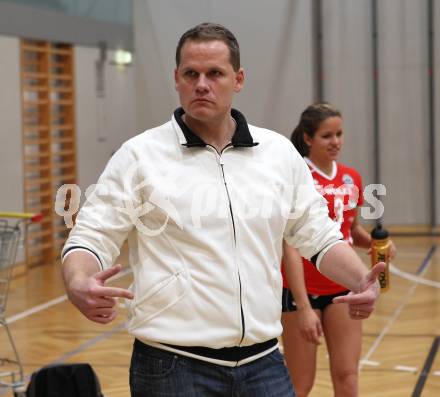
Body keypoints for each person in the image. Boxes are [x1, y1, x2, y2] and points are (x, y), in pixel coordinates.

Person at [61, 23, 385, 397]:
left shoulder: (277, 153)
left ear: (238, 78)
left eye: (215, 73)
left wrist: (362, 280)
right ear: (176, 79)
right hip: (171, 368)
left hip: (264, 365)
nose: (202, 84)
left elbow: (320, 235)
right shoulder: (139, 156)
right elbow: (91, 235)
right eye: (191, 74)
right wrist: (78, 280)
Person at [281, 102, 396, 397]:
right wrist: (304, 306)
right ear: (308, 138)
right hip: (300, 292)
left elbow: (350, 231)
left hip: (341, 288)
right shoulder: (296, 176)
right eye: (326, 136)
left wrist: (376, 245)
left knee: (347, 376)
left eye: (339, 134)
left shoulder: (351, 178)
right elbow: (291, 246)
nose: (335, 142)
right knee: (300, 385)